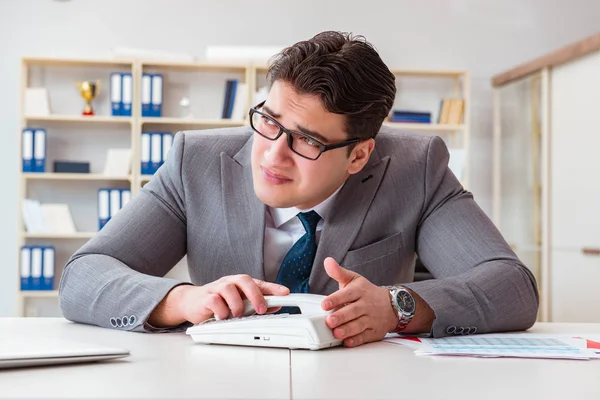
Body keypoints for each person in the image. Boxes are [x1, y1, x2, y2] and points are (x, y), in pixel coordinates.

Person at [59, 31, 539, 347]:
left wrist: (398, 305)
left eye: (307, 140)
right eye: (269, 120)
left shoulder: (415, 168)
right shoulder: (196, 162)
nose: (272, 154)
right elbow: (83, 276)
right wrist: (182, 300)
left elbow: (512, 286)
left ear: (358, 155)